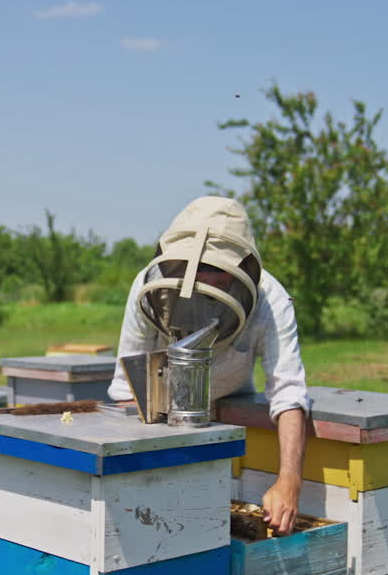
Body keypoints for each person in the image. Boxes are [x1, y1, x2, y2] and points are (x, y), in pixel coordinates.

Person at [108, 195, 311, 535]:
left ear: (241, 268)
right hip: (159, 420)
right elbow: (129, 388)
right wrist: (146, 472)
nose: (202, 277)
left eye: (216, 270)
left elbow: (288, 391)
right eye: (194, 265)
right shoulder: (147, 288)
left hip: (229, 414)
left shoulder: (271, 300)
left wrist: (289, 481)